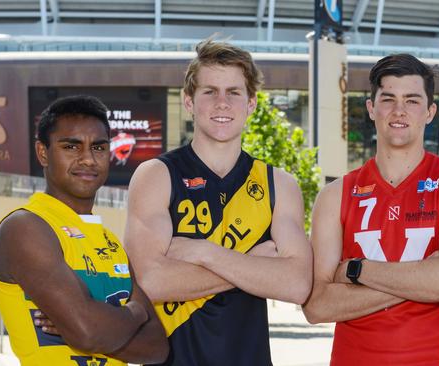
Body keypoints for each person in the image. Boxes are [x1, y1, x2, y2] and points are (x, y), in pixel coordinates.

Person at [123, 39, 312, 366]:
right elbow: (150, 282)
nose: (222, 103)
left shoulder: (278, 184)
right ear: (189, 102)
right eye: (210, 91)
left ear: (251, 103)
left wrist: (202, 252)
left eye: (234, 92)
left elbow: (297, 285)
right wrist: (252, 263)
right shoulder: (156, 176)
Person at [302, 54, 439, 365]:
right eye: (388, 99)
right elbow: (317, 305)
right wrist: (427, 278)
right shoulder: (335, 195)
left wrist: (356, 271)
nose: (399, 111)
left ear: (430, 112)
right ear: (372, 108)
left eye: (412, 101)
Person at [0, 95, 168, 365]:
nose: (87, 159)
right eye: (71, 147)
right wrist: (136, 313)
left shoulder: (111, 243)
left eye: (98, 147)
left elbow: (157, 348)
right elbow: (87, 333)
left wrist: (96, 327)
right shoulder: (25, 227)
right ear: (43, 152)